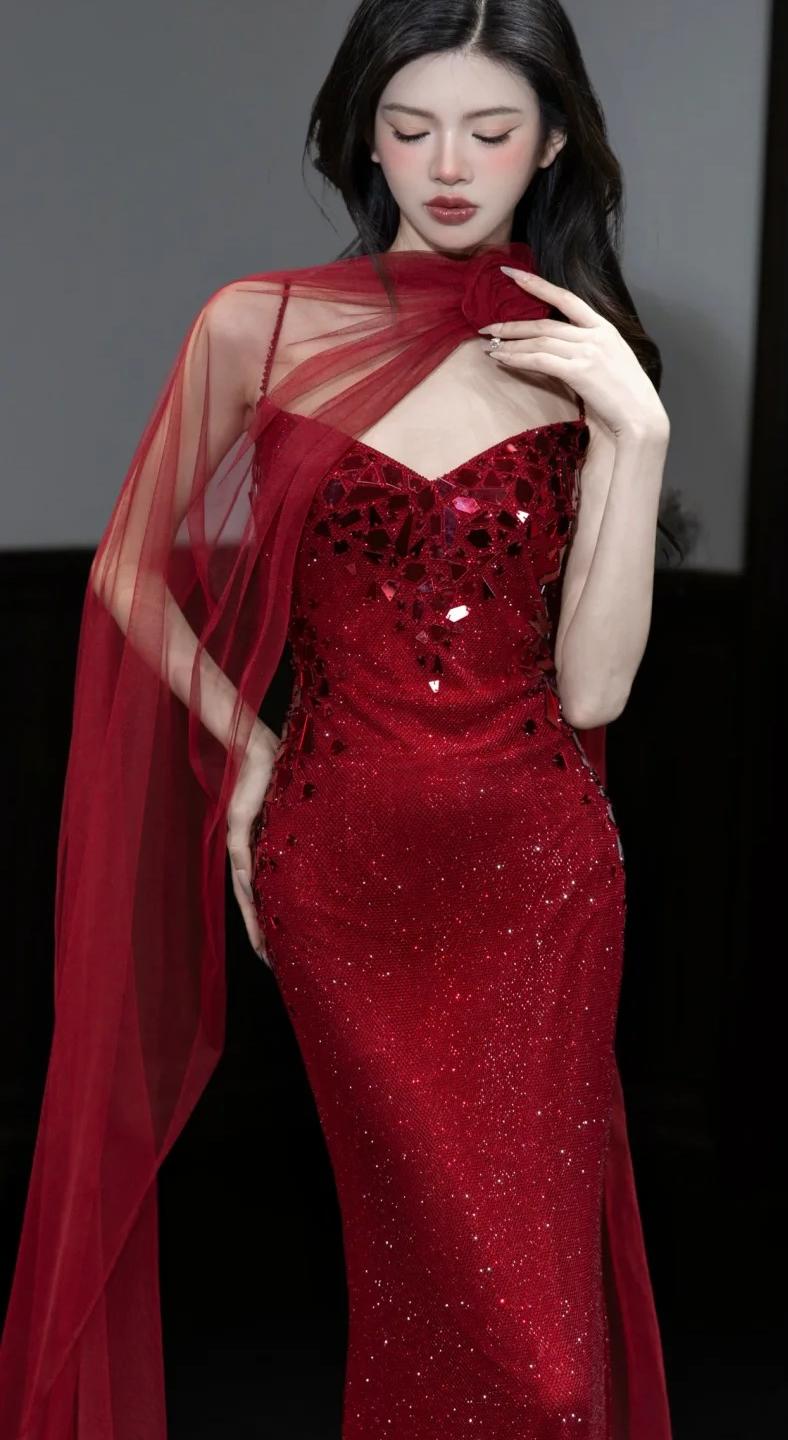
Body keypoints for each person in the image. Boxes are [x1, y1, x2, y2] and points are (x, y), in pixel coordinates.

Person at [0, 4, 675, 1437]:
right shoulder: (258, 324)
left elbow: (595, 692)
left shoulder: (585, 359)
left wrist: (640, 429)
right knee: (429, 1284)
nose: (450, 164)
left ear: (554, 143)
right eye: (411, 127)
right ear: (365, 136)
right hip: (343, 873)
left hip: (540, 881)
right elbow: (127, 569)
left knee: (544, 1357)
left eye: (490, 130)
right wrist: (252, 757)